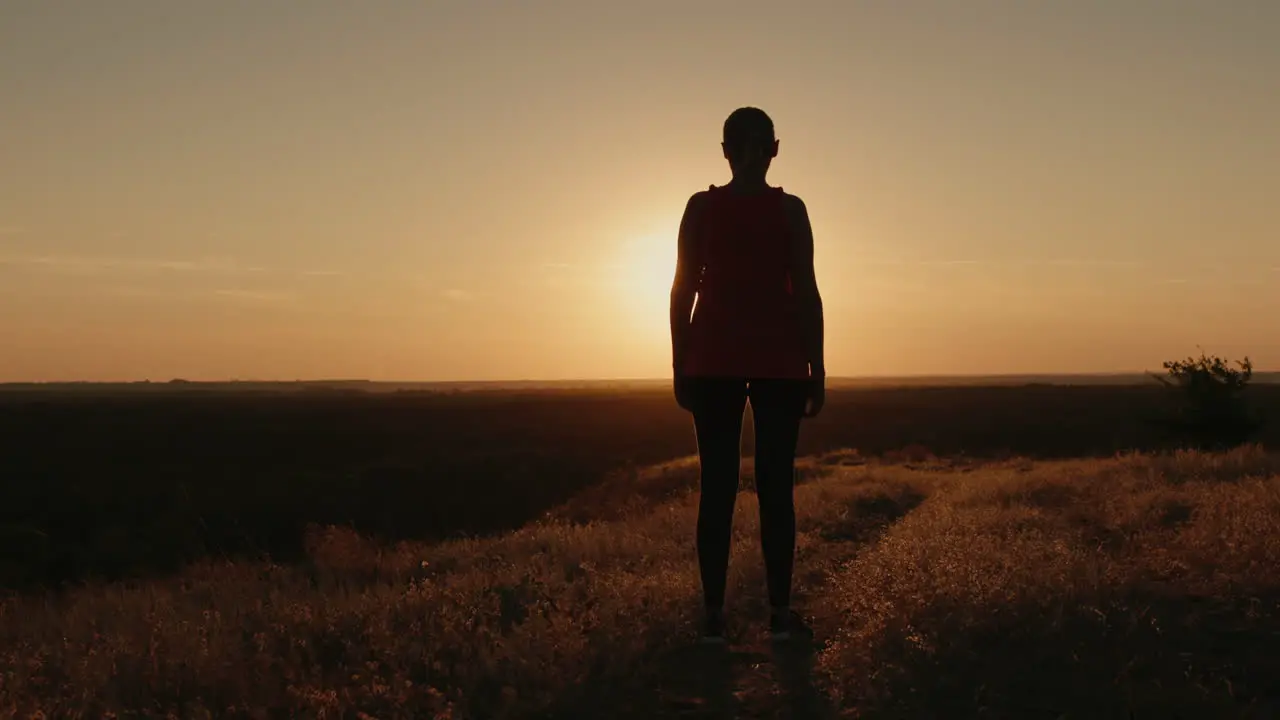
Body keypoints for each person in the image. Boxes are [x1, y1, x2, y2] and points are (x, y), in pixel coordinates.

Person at [669, 106, 826, 644]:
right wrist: (818, 364)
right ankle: (780, 616)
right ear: (775, 149)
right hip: (781, 364)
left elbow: (681, 290)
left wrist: (678, 361)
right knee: (775, 488)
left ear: (725, 150)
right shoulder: (791, 211)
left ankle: (714, 617)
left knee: (717, 488)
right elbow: (806, 292)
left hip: (711, 361)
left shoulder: (701, 208)